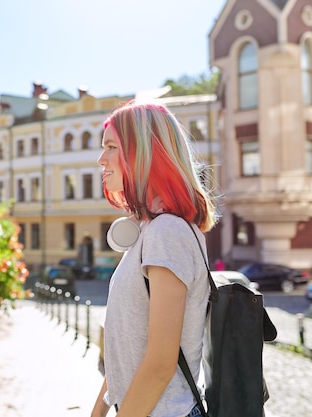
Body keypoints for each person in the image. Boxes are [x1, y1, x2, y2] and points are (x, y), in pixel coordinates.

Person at [92, 102, 217, 417]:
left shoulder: (167, 232)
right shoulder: (151, 229)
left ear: (142, 153)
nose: (101, 159)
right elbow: (129, 353)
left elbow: (160, 363)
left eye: (110, 148)